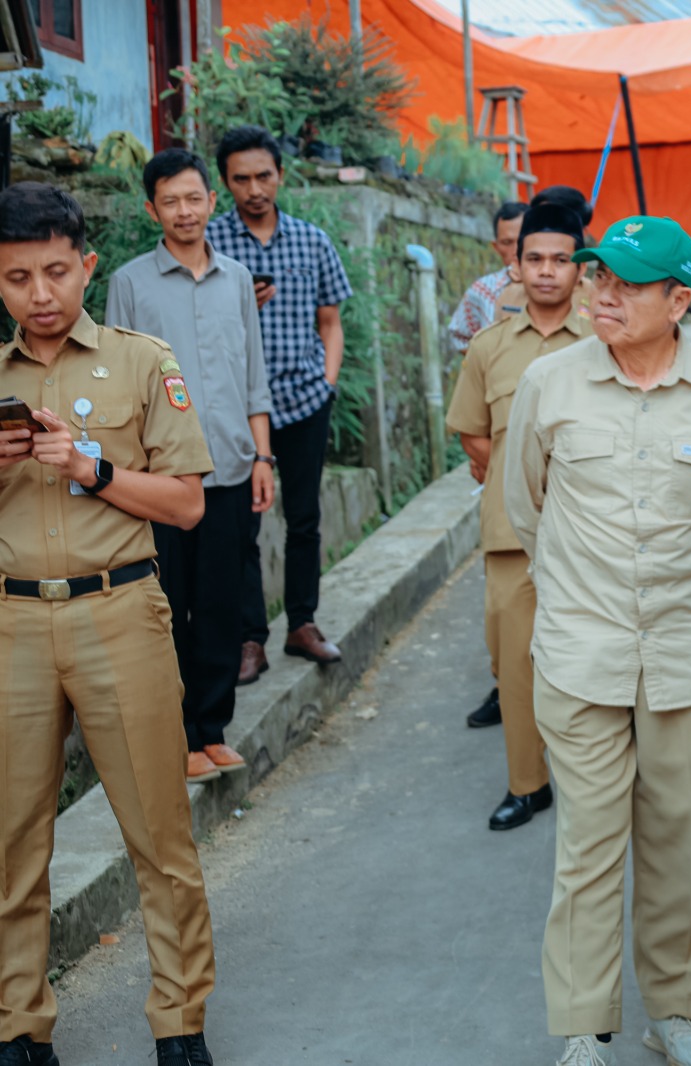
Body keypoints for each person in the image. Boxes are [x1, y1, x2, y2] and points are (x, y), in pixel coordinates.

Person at [504, 216, 691, 1066]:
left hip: (681, 652)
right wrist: (578, 593)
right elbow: (522, 506)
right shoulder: (548, 383)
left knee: (683, 839)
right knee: (588, 841)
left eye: (627, 283)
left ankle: (679, 1012)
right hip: (579, 652)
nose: (601, 293)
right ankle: (584, 1025)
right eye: (597, 275)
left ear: (679, 298)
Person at [0, 182, 220, 1066]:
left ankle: (180, 1021)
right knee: (11, 842)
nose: (41, 293)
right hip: (12, 627)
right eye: (18, 277)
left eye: (57, 271)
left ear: (87, 265)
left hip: (121, 612)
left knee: (159, 834)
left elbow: (189, 504)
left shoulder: (141, 361)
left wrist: (92, 469)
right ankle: (19, 1027)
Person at [105, 148, 275, 784]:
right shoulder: (129, 282)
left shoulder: (236, 278)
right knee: (167, 607)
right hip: (163, 480)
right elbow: (117, 382)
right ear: (152, 209)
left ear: (212, 202)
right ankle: (174, 736)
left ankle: (212, 729)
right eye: (170, 200)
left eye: (194, 198)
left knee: (222, 605)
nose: (185, 211)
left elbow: (252, 375)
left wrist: (263, 455)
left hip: (230, 467)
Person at [445, 202, 592, 830]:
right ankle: (528, 785)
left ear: (581, 269)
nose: (547, 271)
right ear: (515, 264)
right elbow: (473, 435)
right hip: (513, 535)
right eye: (534, 259)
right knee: (516, 664)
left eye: (561, 260)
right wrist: (513, 474)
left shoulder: (606, 338)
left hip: (595, 533)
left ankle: (606, 782)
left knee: (600, 659)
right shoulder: (488, 348)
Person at [207, 125, 353, 680]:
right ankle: (250, 639)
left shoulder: (311, 240)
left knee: (305, 518)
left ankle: (302, 624)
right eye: (240, 178)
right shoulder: (213, 246)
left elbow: (331, 322)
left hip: (305, 398)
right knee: (241, 522)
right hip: (239, 407)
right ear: (225, 184)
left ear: (281, 176)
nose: (254, 188)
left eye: (263, 175)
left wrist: (328, 382)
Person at [447, 200, 530, 357]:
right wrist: (488, 365)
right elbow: (459, 337)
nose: (516, 250)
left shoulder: (556, 285)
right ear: (496, 247)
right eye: (507, 242)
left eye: (522, 239)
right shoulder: (483, 290)